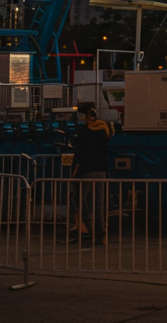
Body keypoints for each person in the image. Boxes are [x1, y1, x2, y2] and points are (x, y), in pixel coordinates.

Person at [68, 103, 110, 243]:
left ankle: (89, 226)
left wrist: (73, 172)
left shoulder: (85, 131)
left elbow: (79, 154)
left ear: (86, 117)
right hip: (101, 170)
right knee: (99, 203)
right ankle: (100, 234)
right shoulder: (104, 129)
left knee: (78, 198)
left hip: (87, 170)